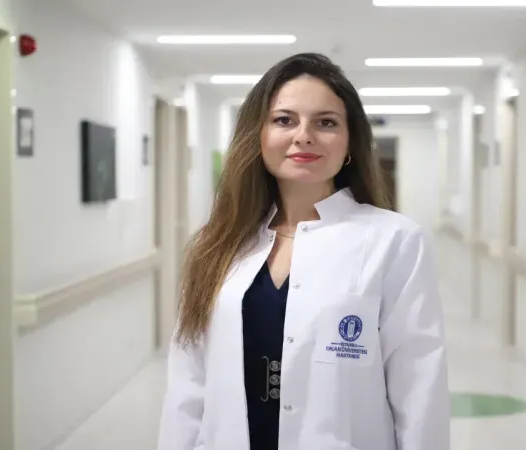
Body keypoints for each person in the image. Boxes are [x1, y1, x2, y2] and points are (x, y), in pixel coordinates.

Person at [157, 52, 450, 450]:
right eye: (284, 120)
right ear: (257, 135)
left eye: (326, 122)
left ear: (349, 141)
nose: (304, 135)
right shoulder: (218, 243)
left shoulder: (395, 241)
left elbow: (418, 387)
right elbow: (188, 383)